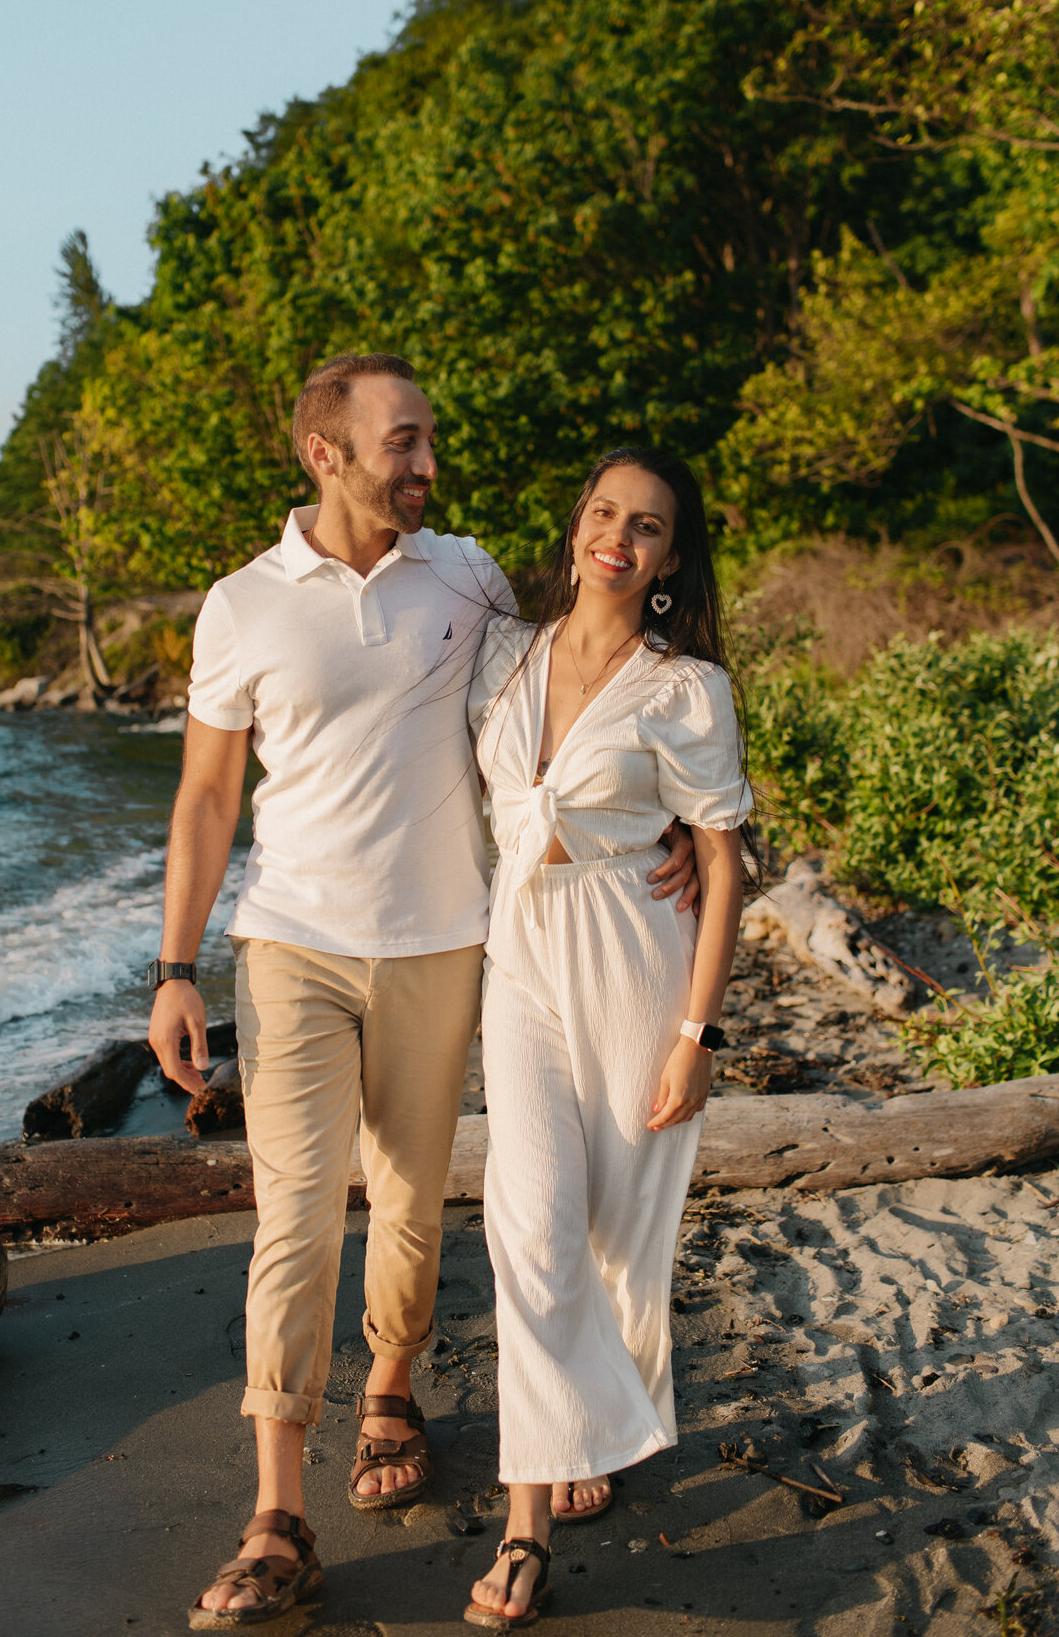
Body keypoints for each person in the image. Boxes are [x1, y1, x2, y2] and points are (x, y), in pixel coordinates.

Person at [145, 354, 699, 1629]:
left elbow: (574, 691)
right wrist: (175, 969)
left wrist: (672, 824)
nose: (429, 464)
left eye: (430, 440)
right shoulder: (239, 606)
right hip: (289, 942)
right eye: (404, 443)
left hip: (447, 943)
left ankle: (389, 1388)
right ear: (325, 454)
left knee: (407, 1193)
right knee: (295, 1212)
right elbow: (208, 798)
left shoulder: (467, 577)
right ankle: (279, 1514)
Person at [464, 446, 753, 1630]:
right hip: (517, 957)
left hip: (634, 954)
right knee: (528, 1224)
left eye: (645, 528)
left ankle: (597, 1411)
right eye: (601, 513)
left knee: (621, 1233)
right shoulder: (498, 651)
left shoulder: (684, 690)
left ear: (670, 560)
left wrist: (696, 1033)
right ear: (575, 524)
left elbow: (723, 861)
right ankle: (526, 1530)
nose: (616, 540)